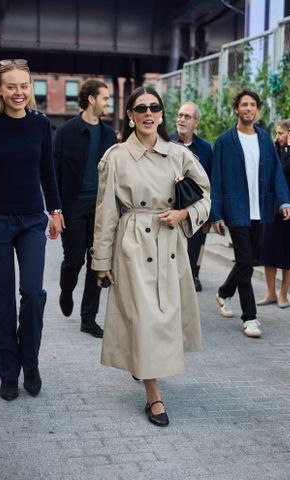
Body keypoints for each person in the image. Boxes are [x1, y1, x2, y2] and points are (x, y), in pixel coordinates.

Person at [91, 86, 210, 426]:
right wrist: (101, 262)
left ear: (161, 113)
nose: (147, 113)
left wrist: (184, 215)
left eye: (154, 107)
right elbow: (106, 213)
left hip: (170, 244)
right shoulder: (115, 157)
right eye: (140, 108)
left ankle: (145, 366)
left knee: (163, 319)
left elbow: (205, 196)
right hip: (132, 246)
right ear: (129, 114)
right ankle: (154, 396)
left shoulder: (178, 154)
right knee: (144, 319)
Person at [0, 59, 63, 401]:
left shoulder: (40, 125)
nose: (18, 92)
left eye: (24, 86)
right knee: (2, 301)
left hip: (32, 220)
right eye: (11, 86)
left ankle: (30, 363)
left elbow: (48, 173)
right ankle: (8, 372)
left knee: (33, 293)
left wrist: (56, 210)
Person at [210, 90, 290, 338]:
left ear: (257, 110)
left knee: (249, 260)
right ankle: (250, 317)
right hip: (236, 209)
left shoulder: (265, 139)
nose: (248, 108)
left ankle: (224, 292)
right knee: (245, 261)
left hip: (261, 209)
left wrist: (284, 201)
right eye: (244, 104)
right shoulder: (225, 141)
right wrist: (216, 214)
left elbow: (277, 172)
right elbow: (216, 179)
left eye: (252, 105)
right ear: (236, 109)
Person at [53, 79, 117, 338]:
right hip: (73, 207)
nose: (108, 103)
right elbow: (54, 173)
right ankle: (66, 288)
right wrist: (55, 210)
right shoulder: (66, 131)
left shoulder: (110, 135)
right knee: (74, 260)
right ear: (91, 99)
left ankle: (88, 318)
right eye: (105, 98)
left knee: (98, 262)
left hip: (102, 209)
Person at [258, 120, 290, 308]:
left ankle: (283, 295)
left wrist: (289, 147)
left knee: (287, 252)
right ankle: (271, 293)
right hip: (272, 208)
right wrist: (277, 147)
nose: (277, 136)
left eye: (281, 133)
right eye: (277, 133)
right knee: (269, 251)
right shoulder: (274, 152)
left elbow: (286, 170)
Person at [171, 102, 213, 291]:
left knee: (197, 245)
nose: (181, 119)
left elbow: (211, 181)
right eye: (179, 115)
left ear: (196, 122)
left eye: (186, 116)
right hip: (170, 206)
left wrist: (209, 216)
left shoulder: (205, 148)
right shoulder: (166, 144)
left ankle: (194, 275)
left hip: (196, 208)